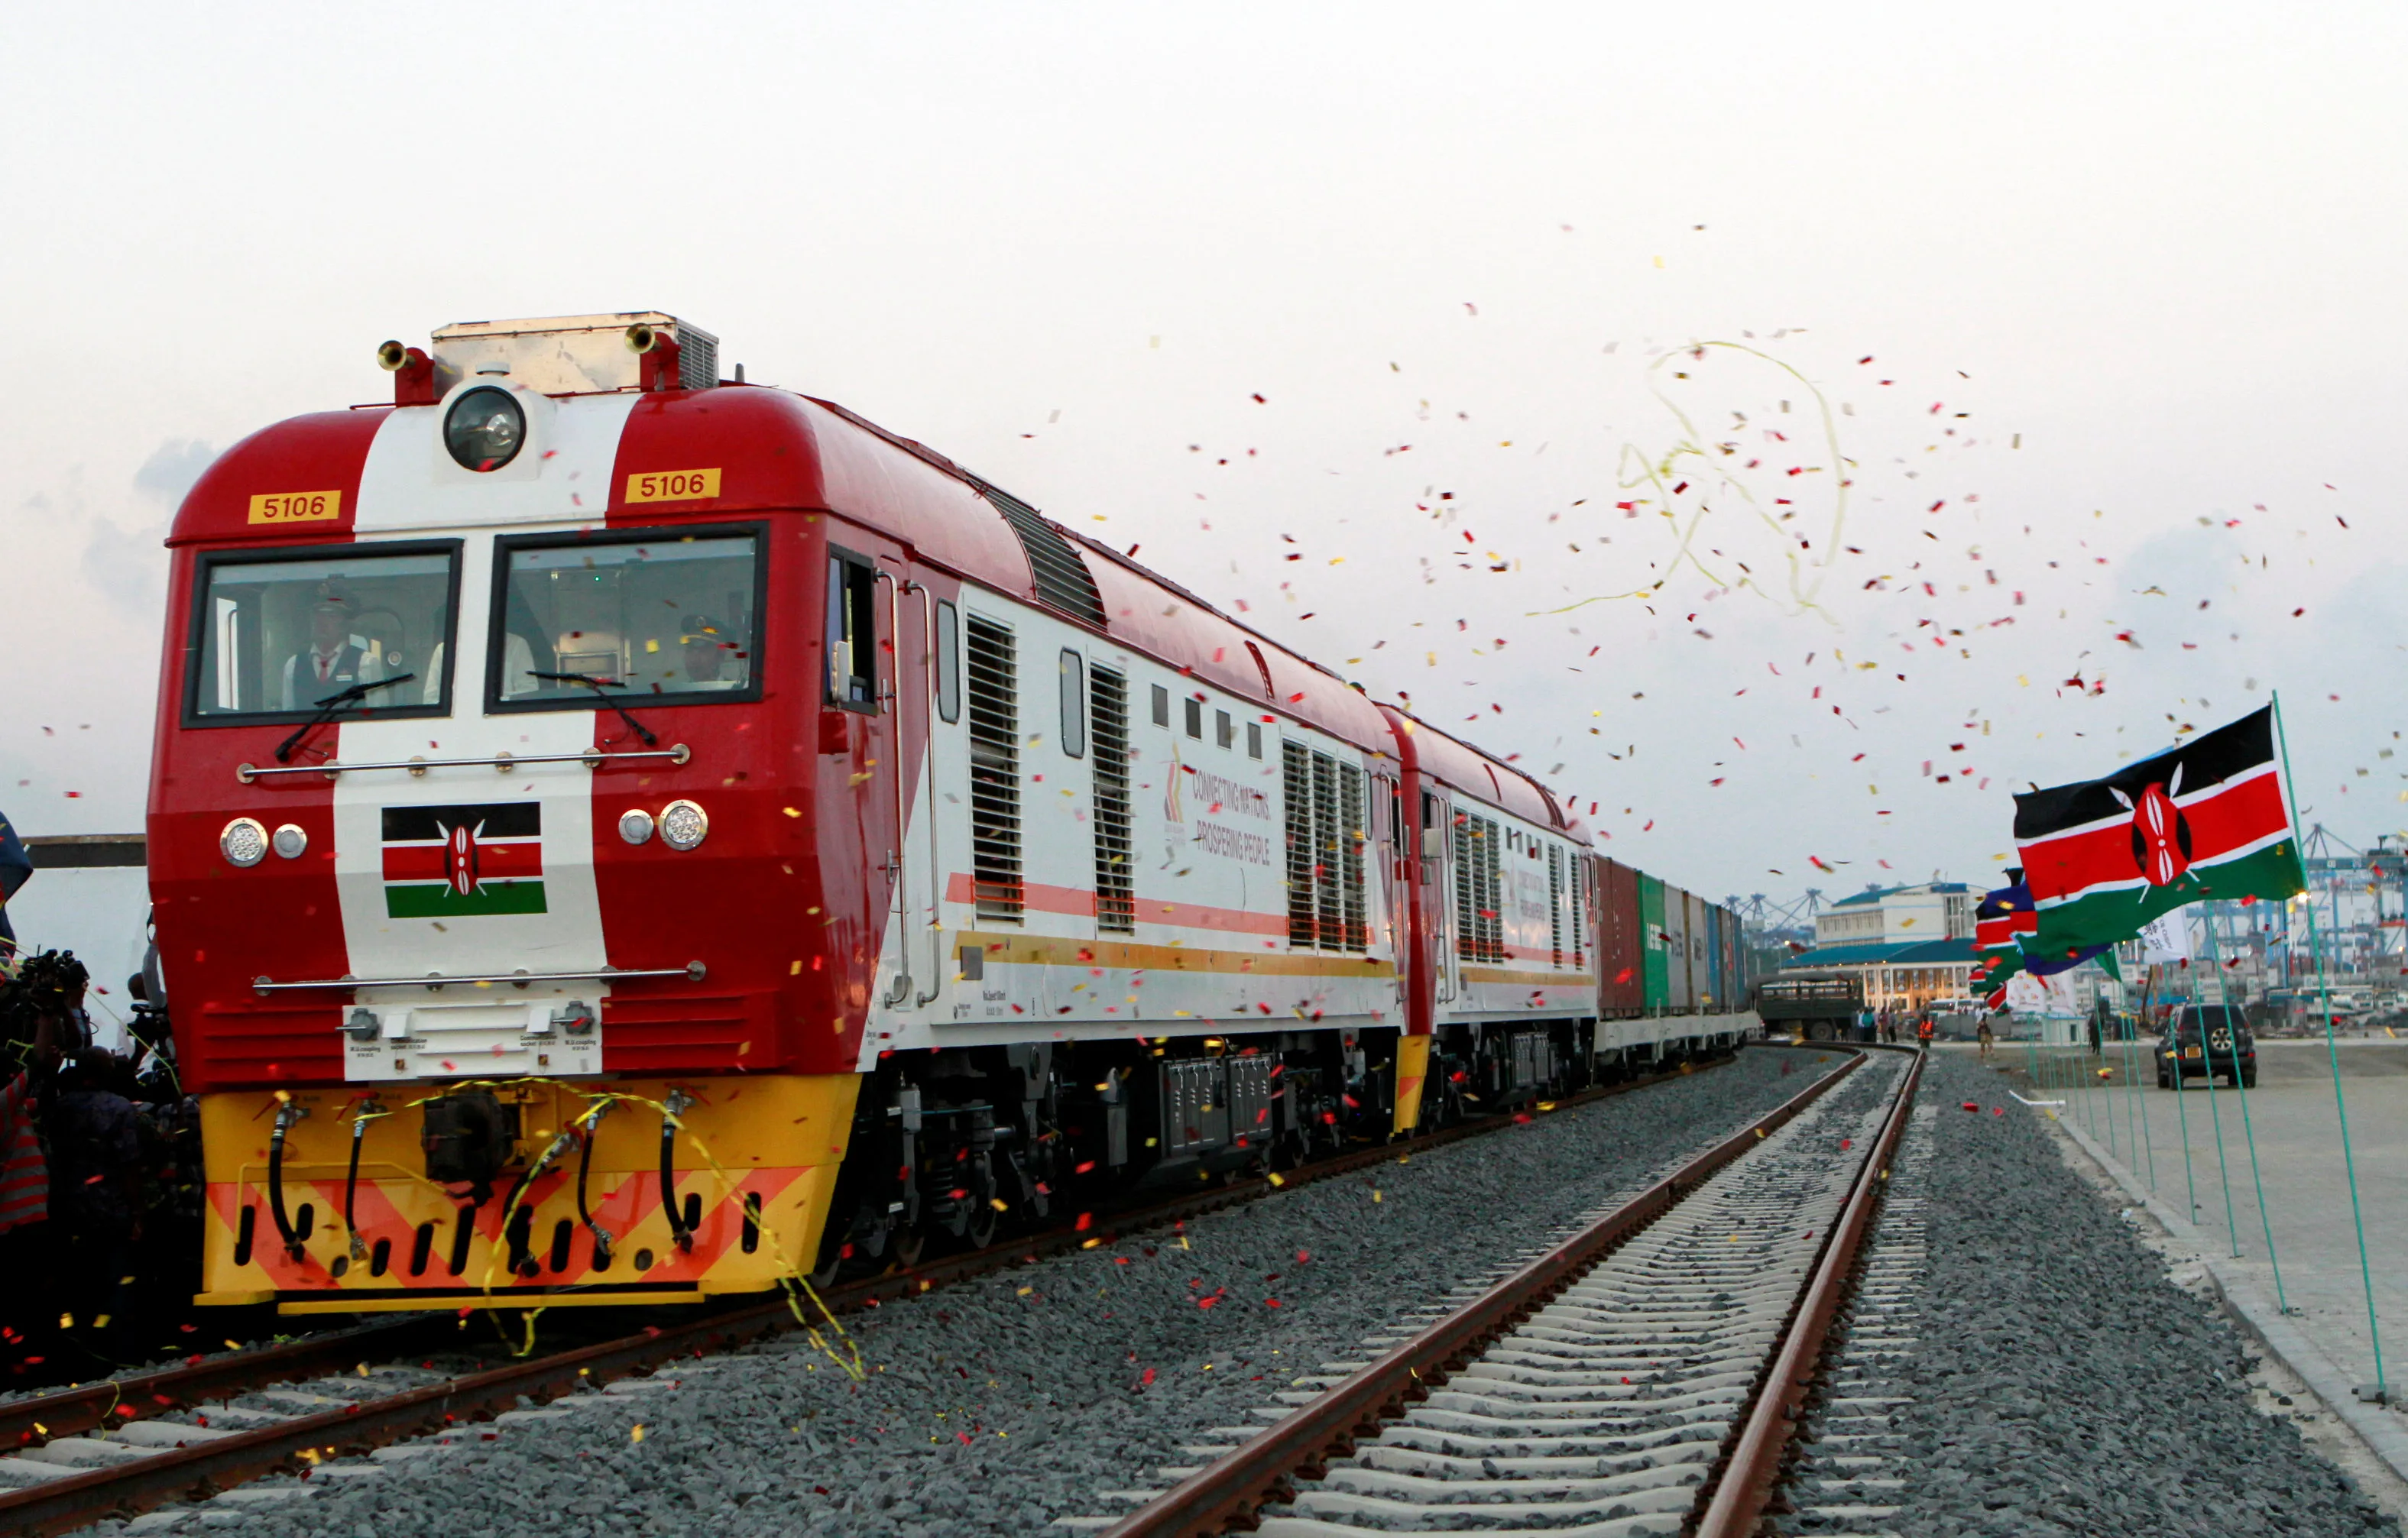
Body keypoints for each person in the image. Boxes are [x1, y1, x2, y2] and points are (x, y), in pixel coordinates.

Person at [280, 594, 384, 709]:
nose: (323, 622)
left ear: (345, 624)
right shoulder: (294, 665)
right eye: (319, 616)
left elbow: (378, 712)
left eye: (332, 616)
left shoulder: (366, 663)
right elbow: (288, 712)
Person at [679, 614, 746, 690]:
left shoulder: (736, 693)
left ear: (720, 656)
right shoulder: (678, 693)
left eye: (703, 651)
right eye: (689, 651)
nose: (693, 660)